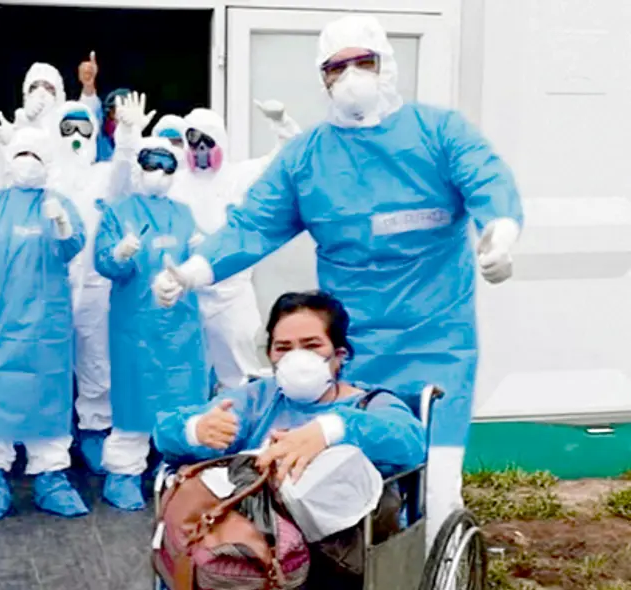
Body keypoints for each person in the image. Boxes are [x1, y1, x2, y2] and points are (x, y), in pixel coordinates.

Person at [151, 14, 524, 548]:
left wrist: (501, 231)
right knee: (332, 492)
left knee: (437, 493)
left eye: (363, 62)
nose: (350, 76)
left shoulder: (439, 134)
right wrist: (190, 273)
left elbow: (487, 176)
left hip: (436, 341)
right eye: (335, 67)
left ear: (386, 64)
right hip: (346, 350)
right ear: (322, 77)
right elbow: (252, 227)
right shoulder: (306, 159)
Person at [0, 126, 89, 527]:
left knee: (48, 401)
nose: (26, 162)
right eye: (21, 154)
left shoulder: (59, 203)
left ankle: (51, 478)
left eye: (35, 155)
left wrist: (63, 225)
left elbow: (73, 247)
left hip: (46, 330)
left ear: (49, 162)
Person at [154, 291, 425, 480]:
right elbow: (165, 431)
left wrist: (333, 429)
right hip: (256, 540)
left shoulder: (371, 404)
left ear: (339, 354)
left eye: (311, 345)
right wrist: (195, 430)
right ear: (270, 355)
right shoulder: (258, 399)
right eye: (283, 348)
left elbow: (411, 442)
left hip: (344, 546)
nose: (297, 357)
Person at [93, 98, 209, 511]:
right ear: (138, 167)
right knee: (134, 400)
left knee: (182, 398)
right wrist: (119, 255)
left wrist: (195, 266)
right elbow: (103, 263)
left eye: (167, 166)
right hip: (135, 326)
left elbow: (202, 259)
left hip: (181, 326)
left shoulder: (184, 213)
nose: (158, 174)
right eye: (151, 164)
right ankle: (123, 475)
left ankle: (178, 477)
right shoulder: (119, 211)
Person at [171, 103, 301, 391]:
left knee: (242, 373)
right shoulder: (175, 182)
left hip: (232, 293)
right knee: (185, 372)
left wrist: (282, 124)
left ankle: (246, 425)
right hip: (187, 293)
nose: (201, 150)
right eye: (194, 142)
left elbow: (286, 157)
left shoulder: (240, 175)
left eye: (208, 141)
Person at [46, 100, 132, 474]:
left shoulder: (103, 175)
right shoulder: (42, 175)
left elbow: (125, 176)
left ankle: (95, 429)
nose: (77, 137)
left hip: (95, 282)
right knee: (48, 359)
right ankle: (49, 439)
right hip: (48, 281)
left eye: (84, 129)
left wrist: (127, 138)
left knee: (96, 357)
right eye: (68, 128)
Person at [0, 62, 67, 190]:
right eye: (34, 87)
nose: (41, 93)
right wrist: (3, 144)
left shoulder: (67, 137)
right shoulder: (8, 135)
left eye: (48, 88)